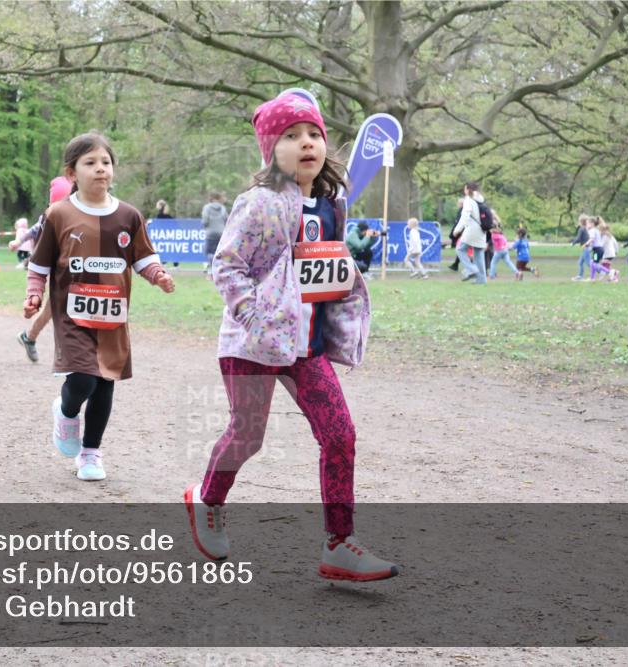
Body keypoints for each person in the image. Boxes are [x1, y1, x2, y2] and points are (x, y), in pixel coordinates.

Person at [183, 94, 398, 582]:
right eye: (291, 135)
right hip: (252, 345)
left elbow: (323, 271)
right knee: (248, 436)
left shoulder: (332, 205)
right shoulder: (258, 204)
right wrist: (252, 316)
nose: (307, 143)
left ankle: (339, 543)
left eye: (314, 134)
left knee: (340, 436)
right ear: (269, 149)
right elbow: (226, 265)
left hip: (306, 349)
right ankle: (206, 499)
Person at [25, 133, 175, 481]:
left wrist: (158, 275)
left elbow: (143, 257)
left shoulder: (128, 215)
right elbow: (39, 264)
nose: (100, 169)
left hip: (112, 314)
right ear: (72, 172)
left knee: (105, 383)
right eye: (90, 163)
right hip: (71, 314)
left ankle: (91, 454)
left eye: (105, 162)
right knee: (82, 380)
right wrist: (34, 293)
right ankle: (65, 411)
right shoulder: (59, 214)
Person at [14, 176, 72, 363]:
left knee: (53, 312)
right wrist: (18, 241)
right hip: (55, 271)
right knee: (54, 311)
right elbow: (32, 231)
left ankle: (29, 338)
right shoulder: (47, 218)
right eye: (58, 204)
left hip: (75, 272)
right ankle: (69, 353)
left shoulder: (80, 215)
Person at [453, 182, 488, 284]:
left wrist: (457, 230)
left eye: (465, 189)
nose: (464, 191)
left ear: (468, 190)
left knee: (460, 249)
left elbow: (465, 216)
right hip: (482, 230)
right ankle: (481, 280)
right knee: (479, 254)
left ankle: (471, 269)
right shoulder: (481, 199)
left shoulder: (468, 200)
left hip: (472, 229)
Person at [201, 192, 228, 276]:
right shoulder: (223, 208)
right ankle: (219, 270)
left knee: (209, 252)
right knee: (219, 252)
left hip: (210, 233)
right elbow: (226, 219)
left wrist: (206, 226)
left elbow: (205, 220)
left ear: (211, 198)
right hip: (221, 233)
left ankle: (211, 270)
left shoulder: (207, 207)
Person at [571, 214, 591, 281]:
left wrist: (573, 243)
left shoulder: (581, 229)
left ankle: (594, 275)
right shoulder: (585, 229)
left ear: (580, 221)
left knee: (589, 263)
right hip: (586, 248)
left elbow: (579, 238)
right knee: (580, 262)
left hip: (586, 248)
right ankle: (580, 276)